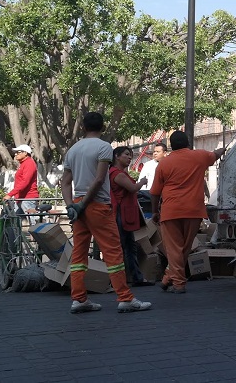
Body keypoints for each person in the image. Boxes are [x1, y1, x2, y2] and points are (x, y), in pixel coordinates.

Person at [61, 111, 152, 314]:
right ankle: (125, 298)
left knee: (79, 253)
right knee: (113, 252)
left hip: (78, 205)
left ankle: (78, 299)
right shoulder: (103, 147)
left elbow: (65, 182)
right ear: (103, 128)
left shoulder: (73, 150)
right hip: (98, 206)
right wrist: (83, 204)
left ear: (83, 127)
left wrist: (72, 206)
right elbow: (100, 179)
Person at [150, 131, 224, 294]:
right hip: (194, 211)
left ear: (171, 146)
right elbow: (216, 154)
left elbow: (155, 192)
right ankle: (168, 278)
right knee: (184, 247)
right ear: (188, 142)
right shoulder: (200, 156)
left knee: (175, 249)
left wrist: (155, 211)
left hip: (171, 211)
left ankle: (178, 283)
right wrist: (222, 149)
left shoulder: (164, 164)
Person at [109, 146, 153, 286]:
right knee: (125, 246)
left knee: (128, 246)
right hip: (121, 214)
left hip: (123, 213)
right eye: (126, 155)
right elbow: (133, 188)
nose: (129, 158)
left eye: (130, 155)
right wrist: (142, 182)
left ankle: (134, 277)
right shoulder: (117, 174)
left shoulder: (118, 172)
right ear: (117, 156)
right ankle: (126, 279)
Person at [6, 144, 40, 217]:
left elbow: (25, 182)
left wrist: (10, 194)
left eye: (18, 152)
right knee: (15, 222)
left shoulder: (29, 163)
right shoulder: (23, 164)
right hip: (21, 198)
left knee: (33, 222)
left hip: (27, 198)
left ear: (25, 153)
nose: (16, 154)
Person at [136, 142, 167, 207]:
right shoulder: (148, 165)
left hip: (165, 197)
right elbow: (142, 180)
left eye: (158, 152)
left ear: (164, 153)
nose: (155, 153)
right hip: (149, 197)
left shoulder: (169, 164)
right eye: (154, 151)